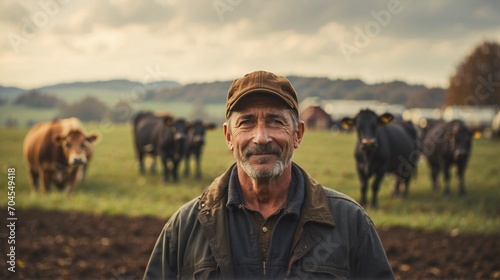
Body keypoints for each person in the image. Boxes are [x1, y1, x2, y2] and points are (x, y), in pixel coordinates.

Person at [143, 70, 395, 279]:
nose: (261, 137)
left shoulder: (350, 222)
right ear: (229, 137)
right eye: (247, 122)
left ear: (298, 134)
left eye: (275, 121)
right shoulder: (185, 227)